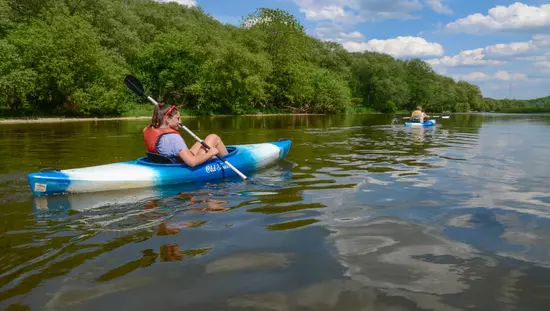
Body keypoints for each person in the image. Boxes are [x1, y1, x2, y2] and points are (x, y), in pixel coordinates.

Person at [143, 102, 229, 166]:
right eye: (178, 118)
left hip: (168, 161)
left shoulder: (148, 129)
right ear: (167, 118)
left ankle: (218, 158)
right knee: (213, 137)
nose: (180, 122)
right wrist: (210, 153)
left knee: (201, 142)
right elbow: (192, 162)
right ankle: (230, 161)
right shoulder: (173, 138)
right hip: (181, 165)